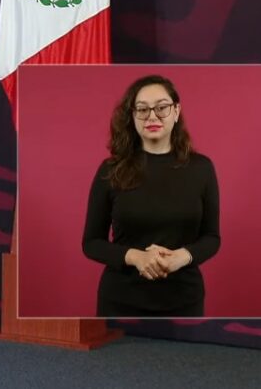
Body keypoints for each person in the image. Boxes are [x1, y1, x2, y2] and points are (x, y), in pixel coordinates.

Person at [81, 74, 221, 317]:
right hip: (120, 300)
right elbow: (91, 243)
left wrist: (182, 257)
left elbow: (211, 238)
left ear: (176, 112)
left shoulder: (202, 168)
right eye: (142, 109)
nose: (152, 116)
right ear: (132, 116)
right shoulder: (110, 170)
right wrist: (136, 257)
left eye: (161, 107)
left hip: (184, 299)